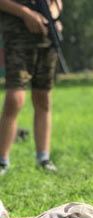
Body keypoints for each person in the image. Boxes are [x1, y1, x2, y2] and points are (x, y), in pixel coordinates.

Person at [0, 0, 62, 175]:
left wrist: (53, 19)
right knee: (15, 99)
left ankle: (44, 158)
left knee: (43, 98)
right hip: (17, 36)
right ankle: (2, 161)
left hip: (47, 38)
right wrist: (26, 14)